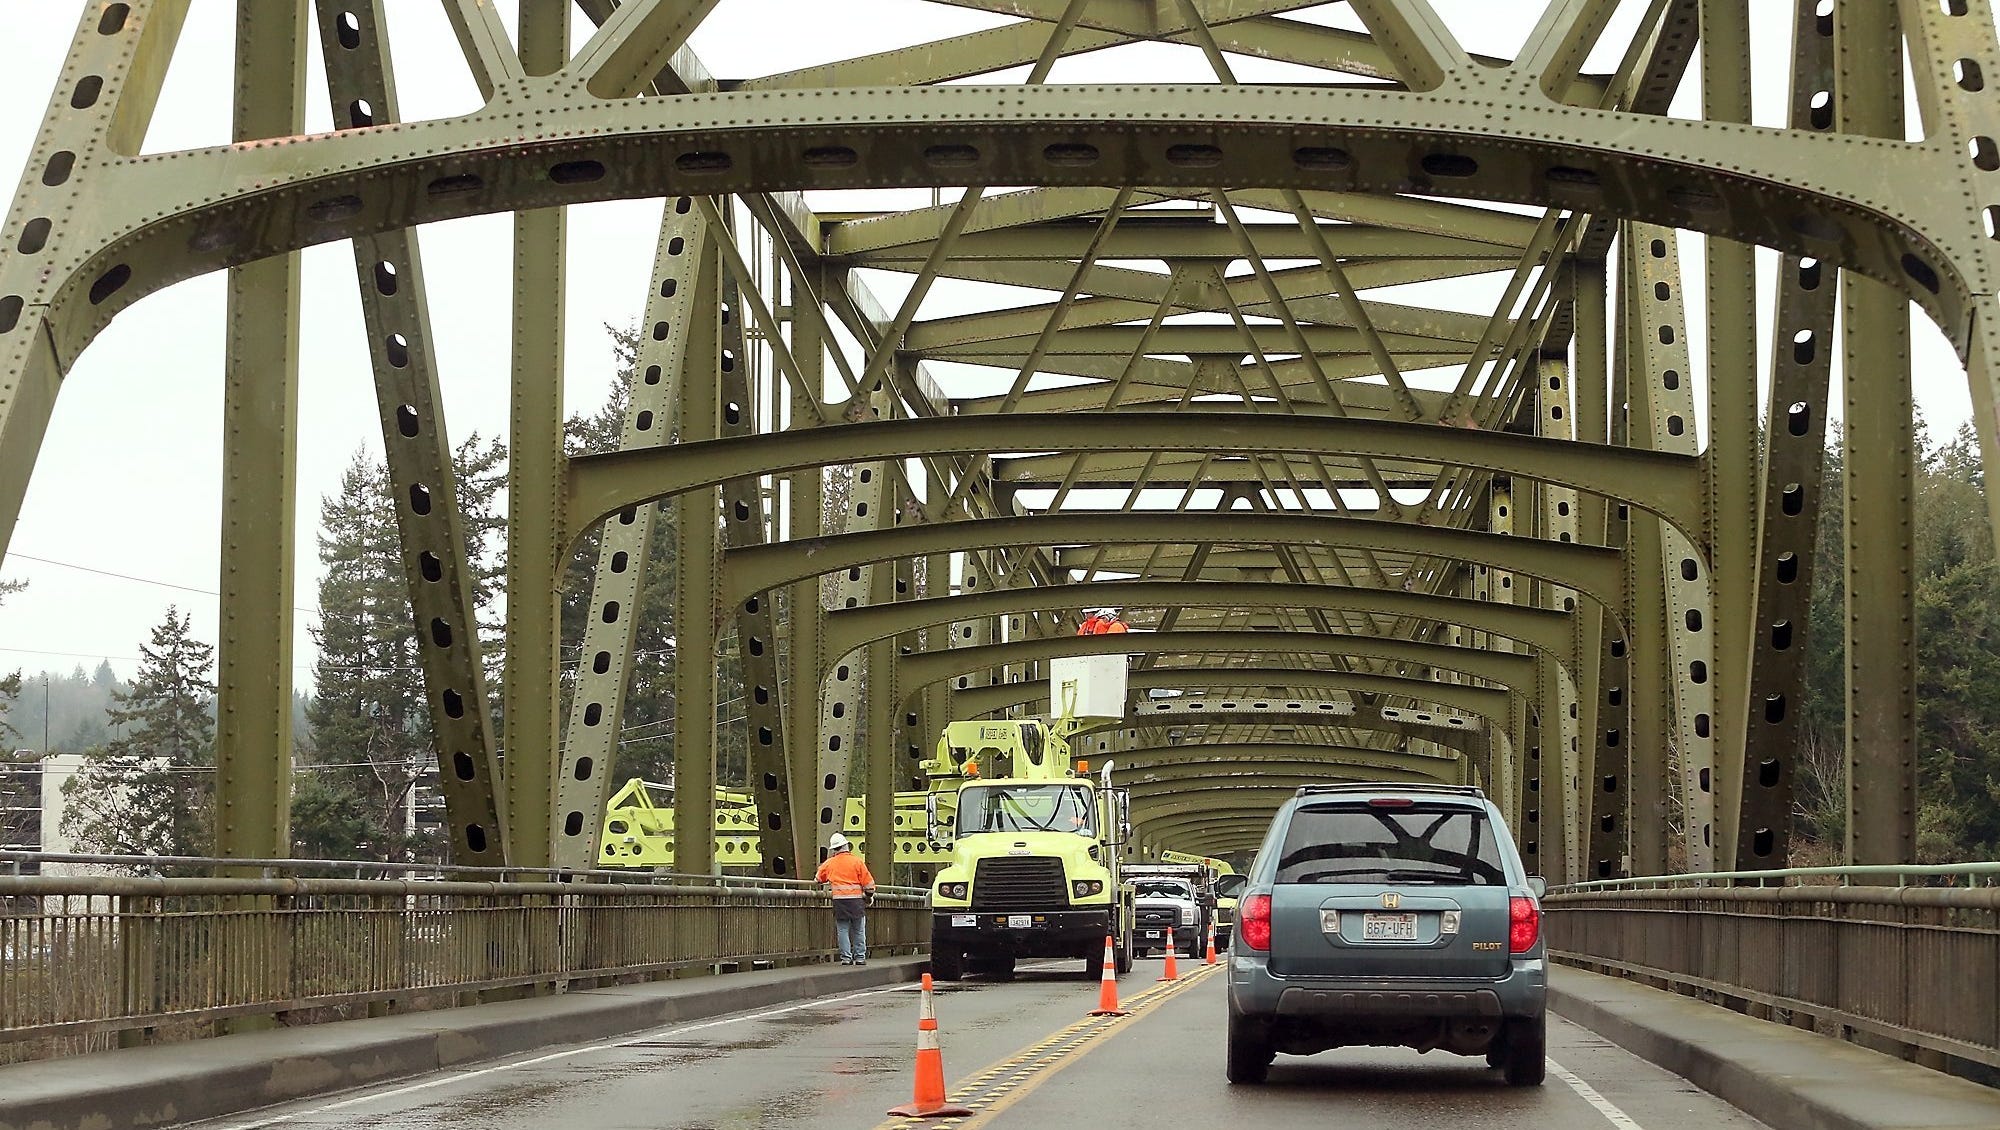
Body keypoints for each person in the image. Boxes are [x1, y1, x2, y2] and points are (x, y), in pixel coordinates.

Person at [815, 832, 877, 965]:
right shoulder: (857, 862)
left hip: (839, 902)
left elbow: (818, 878)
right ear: (846, 846)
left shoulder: (829, 863)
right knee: (859, 930)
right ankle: (860, 957)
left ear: (834, 849)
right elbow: (870, 886)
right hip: (856, 901)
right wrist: (868, 897)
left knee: (842, 930)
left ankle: (846, 958)